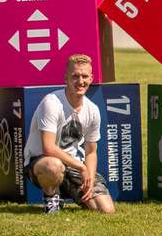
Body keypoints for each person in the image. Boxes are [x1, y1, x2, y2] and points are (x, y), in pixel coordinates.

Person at [23, 54, 116, 214]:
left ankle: (70, 190)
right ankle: (52, 198)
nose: (80, 81)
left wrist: (90, 178)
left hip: (73, 167)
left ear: (91, 78)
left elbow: (91, 152)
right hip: (42, 163)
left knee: (105, 210)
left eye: (85, 76)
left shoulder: (93, 110)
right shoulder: (51, 103)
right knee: (54, 165)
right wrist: (81, 167)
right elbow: (48, 148)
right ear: (65, 78)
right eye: (75, 76)